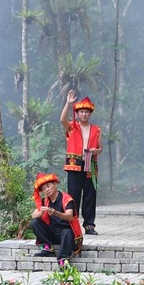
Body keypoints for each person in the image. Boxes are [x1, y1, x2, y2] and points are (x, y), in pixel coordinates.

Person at [60, 89, 102, 235]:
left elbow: (100, 148)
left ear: (90, 114)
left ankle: (89, 225)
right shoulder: (72, 127)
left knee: (90, 195)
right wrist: (68, 103)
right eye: (81, 112)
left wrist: (96, 151)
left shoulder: (96, 129)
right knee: (73, 195)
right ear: (77, 113)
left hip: (90, 165)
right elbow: (62, 120)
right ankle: (72, 222)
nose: (84, 114)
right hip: (74, 165)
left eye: (86, 112)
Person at [30, 172, 83, 267]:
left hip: (67, 233)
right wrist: (40, 212)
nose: (47, 189)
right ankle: (48, 249)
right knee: (35, 222)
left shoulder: (66, 198)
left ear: (55, 184)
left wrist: (55, 213)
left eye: (48, 186)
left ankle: (63, 259)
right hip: (53, 233)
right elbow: (33, 215)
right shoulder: (45, 201)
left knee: (67, 232)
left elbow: (70, 216)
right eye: (44, 188)